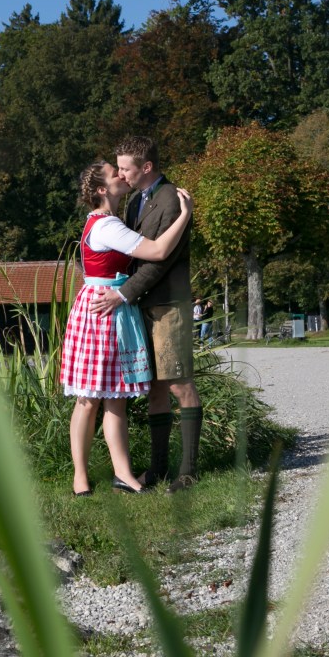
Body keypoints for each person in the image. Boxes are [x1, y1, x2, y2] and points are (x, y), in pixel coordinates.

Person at [60, 161, 193, 496]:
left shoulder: (107, 220)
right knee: (90, 398)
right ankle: (82, 477)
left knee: (111, 399)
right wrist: (185, 215)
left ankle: (120, 474)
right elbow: (158, 251)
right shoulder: (107, 226)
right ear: (102, 189)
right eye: (114, 173)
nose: (122, 174)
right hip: (104, 310)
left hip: (108, 306)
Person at [93, 135, 202, 493]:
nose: (121, 174)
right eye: (119, 168)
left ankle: (188, 471)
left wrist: (122, 294)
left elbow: (159, 260)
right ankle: (158, 469)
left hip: (168, 304)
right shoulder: (136, 200)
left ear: (147, 167)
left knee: (179, 383)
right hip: (143, 305)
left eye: (125, 168)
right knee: (154, 387)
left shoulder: (171, 198)